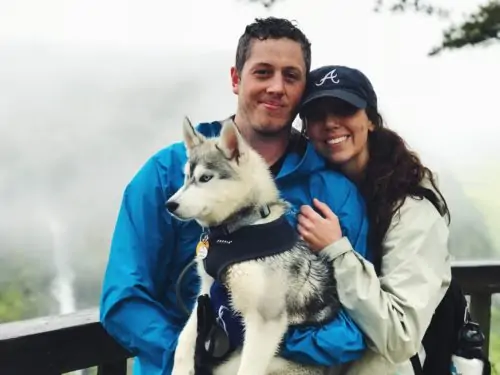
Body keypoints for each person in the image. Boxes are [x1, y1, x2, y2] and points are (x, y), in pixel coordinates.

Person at [99, 19, 372, 375]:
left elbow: (359, 318)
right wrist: (194, 358)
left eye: (291, 76)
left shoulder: (334, 192)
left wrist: (259, 339)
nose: (276, 87)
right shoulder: (166, 173)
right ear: (235, 78)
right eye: (262, 72)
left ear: (303, 90)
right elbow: (124, 298)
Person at [291, 65, 452, 374]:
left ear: (372, 120)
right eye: (317, 115)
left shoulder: (412, 207)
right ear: (306, 129)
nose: (330, 123)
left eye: (345, 109)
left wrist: (337, 251)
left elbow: (399, 336)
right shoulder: (313, 193)